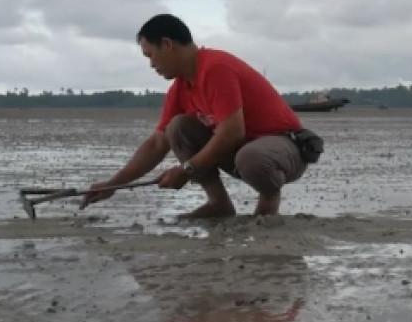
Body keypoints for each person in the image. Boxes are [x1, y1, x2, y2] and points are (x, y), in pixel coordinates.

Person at [81, 14, 308, 218]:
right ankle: (219, 204)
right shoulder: (180, 87)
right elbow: (157, 143)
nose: (151, 65)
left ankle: (268, 204)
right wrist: (113, 184)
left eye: (150, 55)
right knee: (177, 127)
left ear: (167, 45)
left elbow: (233, 131)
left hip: (286, 148)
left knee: (251, 158)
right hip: (243, 152)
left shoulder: (215, 68)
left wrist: (186, 169)